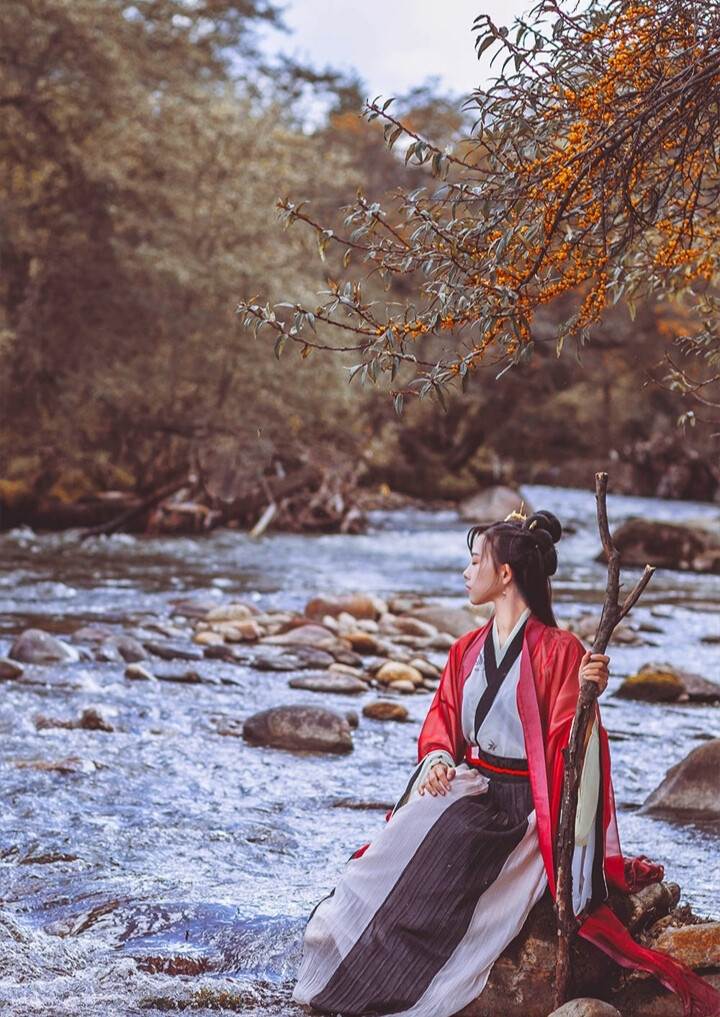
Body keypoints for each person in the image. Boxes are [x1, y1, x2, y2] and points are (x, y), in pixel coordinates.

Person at [293, 511, 720, 1017]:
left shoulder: (560, 651)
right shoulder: (465, 649)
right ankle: (347, 968)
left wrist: (589, 695)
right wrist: (435, 760)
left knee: (449, 874)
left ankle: (407, 987)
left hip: (525, 807)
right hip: (474, 786)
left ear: (506, 575)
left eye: (476, 562)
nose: (467, 573)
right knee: (380, 862)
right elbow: (444, 719)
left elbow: (570, 743)